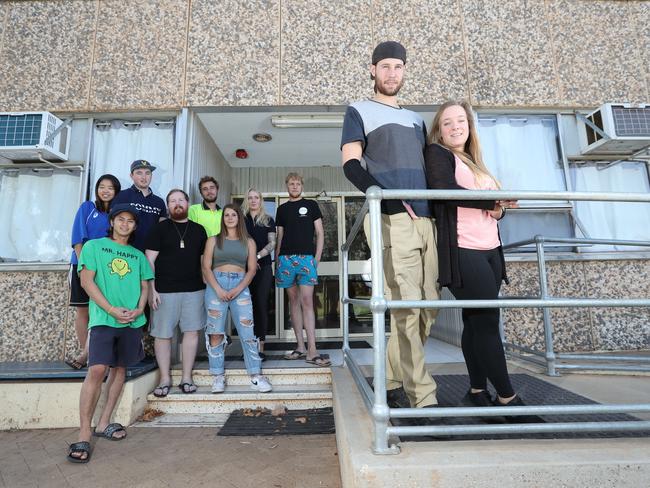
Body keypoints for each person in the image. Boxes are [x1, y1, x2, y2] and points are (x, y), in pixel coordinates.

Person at [424, 100, 539, 422]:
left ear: (469, 126)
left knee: (476, 321)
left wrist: (499, 208)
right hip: (463, 249)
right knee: (487, 322)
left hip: (490, 250)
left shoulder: (475, 161)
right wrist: (492, 200)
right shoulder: (437, 154)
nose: (455, 126)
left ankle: (476, 391)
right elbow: (444, 190)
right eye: (448, 122)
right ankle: (507, 397)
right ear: (439, 130)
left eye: (461, 120)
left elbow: (490, 210)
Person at [341, 41, 440, 409]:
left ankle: (392, 377)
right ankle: (422, 397)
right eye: (384, 67)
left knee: (429, 307)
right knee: (407, 307)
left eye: (397, 67)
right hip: (393, 219)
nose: (391, 74)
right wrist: (388, 198)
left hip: (428, 220)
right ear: (372, 70)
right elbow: (351, 164)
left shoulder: (417, 120)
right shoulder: (359, 111)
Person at [67, 204, 153, 463]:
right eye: (120, 219)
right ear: (113, 222)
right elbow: (86, 281)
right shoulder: (94, 246)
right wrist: (111, 309)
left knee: (119, 369)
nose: (125, 224)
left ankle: (104, 423)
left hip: (131, 322)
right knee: (97, 369)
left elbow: (144, 285)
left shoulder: (137, 256)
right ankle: (84, 433)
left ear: (135, 226)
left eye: (130, 221)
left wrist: (139, 310)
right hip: (105, 319)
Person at [202, 204, 272, 393]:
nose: (230, 217)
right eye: (226, 215)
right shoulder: (213, 240)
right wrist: (218, 289)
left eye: (234, 214)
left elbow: (251, 269)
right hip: (216, 285)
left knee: (248, 333)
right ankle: (217, 376)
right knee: (215, 332)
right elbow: (206, 267)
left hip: (241, 286)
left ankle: (255, 375)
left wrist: (240, 288)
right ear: (222, 218)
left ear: (239, 218)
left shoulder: (248, 242)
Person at [145, 189, 207, 397]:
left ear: (188, 203)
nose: (177, 204)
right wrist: (151, 289)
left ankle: (187, 377)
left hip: (194, 290)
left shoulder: (199, 230)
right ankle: (164, 379)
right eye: (173, 201)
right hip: (164, 291)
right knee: (162, 335)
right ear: (168, 206)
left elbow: (203, 263)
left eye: (181, 200)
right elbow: (149, 261)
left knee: (191, 332)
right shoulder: (159, 229)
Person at [66, 174, 121, 370]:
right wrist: (83, 266)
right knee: (83, 310)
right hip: (83, 266)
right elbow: (78, 239)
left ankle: (89, 354)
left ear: (116, 191)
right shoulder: (87, 208)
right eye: (102, 186)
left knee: (102, 310)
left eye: (110, 188)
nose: (105, 191)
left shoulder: (117, 215)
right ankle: (86, 353)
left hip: (106, 270)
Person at [275, 173, 329, 367]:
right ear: (287, 186)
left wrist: (317, 258)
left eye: (298, 184)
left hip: (307, 259)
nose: (295, 186)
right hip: (286, 260)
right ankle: (300, 347)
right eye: (291, 183)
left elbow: (320, 233)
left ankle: (312, 350)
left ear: (302, 186)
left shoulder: (312, 206)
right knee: (293, 301)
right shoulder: (281, 209)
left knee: (307, 301)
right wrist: (277, 260)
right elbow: (279, 236)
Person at [242, 187, 276, 360]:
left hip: (263, 267)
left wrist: (256, 256)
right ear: (246, 200)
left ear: (261, 200)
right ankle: (248, 346)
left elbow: (272, 244)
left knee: (261, 305)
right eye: (250, 197)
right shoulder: (241, 220)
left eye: (256, 197)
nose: (253, 200)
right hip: (244, 268)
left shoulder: (268, 220)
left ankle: (261, 346)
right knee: (246, 307)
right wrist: (249, 260)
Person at [111, 159, 167, 251]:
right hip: (124, 251)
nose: (144, 177)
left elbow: (163, 230)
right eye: (139, 173)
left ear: (151, 176)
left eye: (147, 173)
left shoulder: (159, 202)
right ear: (131, 176)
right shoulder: (121, 196)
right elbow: (112, 224)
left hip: (150, 254)